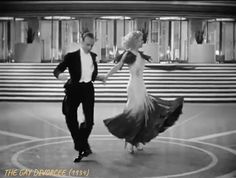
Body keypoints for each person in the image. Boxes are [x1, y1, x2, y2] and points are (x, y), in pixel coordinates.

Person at [102, 31, 184, 153]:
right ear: (134, 41)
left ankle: (137, 140)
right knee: (135, 113)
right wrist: (106, 76)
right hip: (133, 87)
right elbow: (118, 66)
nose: (142, 42)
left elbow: (152, 66)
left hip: (141, 86)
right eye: (140, 39)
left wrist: (173, 68)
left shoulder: (140, 55)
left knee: (144, 113)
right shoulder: (128, 54)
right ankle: (130, 141)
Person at [53, 32, 103, 162]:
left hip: (88, 90)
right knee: (70, 118)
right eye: (87, 44)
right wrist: (59, 76)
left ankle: (80, 144)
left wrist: (98, 77)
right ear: (81, 42)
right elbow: (57, 70)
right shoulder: (71, 57)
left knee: (89, 122)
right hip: (74, 89)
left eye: (92, 45)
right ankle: (83, 145)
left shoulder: (93, 57)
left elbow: (90, 74)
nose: (89, 48)